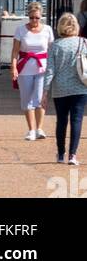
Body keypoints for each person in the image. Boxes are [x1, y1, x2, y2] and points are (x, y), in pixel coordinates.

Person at [41, 11, 87, 166]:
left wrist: (45, 91)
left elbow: (50, 70)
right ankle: (73, 155)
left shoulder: (54, 46)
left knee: (61, 121)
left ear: (60, 27)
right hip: (80, 87)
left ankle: (61, 154)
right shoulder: (84, 43)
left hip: (60, 89)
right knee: (77, 120)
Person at [12, 2, 55, 141]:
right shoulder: (20, 30)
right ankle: (31, 129)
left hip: (42, 68)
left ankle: (39, 128)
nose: (34, 21)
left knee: (40, 98)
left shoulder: (47, 30)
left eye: (37, 18)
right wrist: (13, 67)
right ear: (28, 17)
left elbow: (52, 50)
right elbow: (15, 52)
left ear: (41, 16)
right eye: (31, 18)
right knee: (26, 99)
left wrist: (53, 68)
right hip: (25, 68)